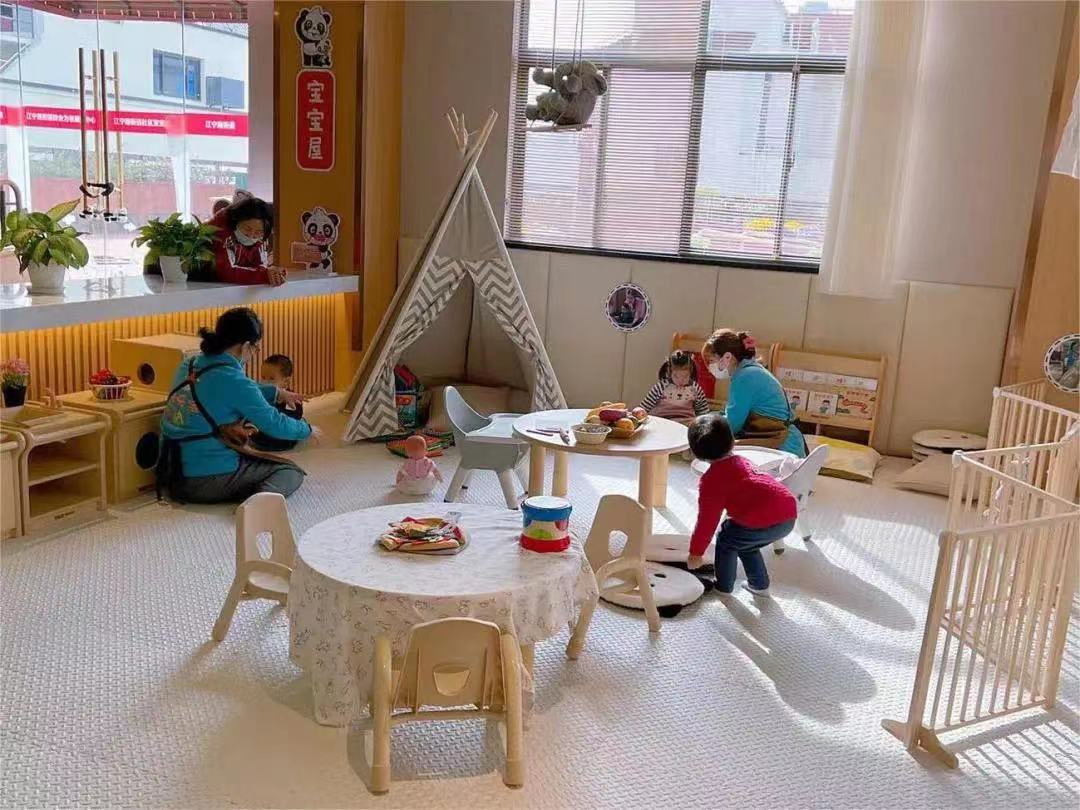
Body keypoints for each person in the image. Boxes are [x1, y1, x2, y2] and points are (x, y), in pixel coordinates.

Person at [157, 307, 318, 503]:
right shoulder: (234, 380)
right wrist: (307, 429)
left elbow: (227, 389)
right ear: (246, 346)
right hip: (203, 479)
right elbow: (274, 423)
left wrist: (276, 393)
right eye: (255, 348)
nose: (254, 353)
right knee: (290, 471)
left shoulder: (189, 365)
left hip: (169, 472)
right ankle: (257, 503)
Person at [686, 414, 796, 597]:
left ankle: (723, 586)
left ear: (696, 452)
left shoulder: (711, 481)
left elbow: (707, 521)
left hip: (762, 519)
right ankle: (759, 585)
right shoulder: (742, 461)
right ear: (732, 442)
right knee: (745, 543)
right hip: (788, 514)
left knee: (727, 538)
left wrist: (695, 553)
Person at [702, 328, 806, 457]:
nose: (709, 367)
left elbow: (732, 425)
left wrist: (706, 427)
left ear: (727, 357)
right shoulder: (750, 370)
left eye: (711, 361)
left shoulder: (745, 377)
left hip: (782, 447)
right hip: (782, 441)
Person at [205, 194, 286, 286]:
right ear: (236, 221)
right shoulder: (221, 228)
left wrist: (272, 273)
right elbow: (225, 272)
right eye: (247, 229)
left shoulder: (262, 235)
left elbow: (259, 263)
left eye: (258, 232)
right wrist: (264, 276)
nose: (251, 236)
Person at [250, 353, 304, 452]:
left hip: (283, 435)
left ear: (286, 382)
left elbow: (295, 416)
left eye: (271, 379)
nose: (265, 382)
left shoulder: (291, 397)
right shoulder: (263, 393)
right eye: (263, 377)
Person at [639, 349, 710, 423]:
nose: (680, 380)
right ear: (669, 372)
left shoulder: (695, 388)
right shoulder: (661, 386)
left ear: (690, 372)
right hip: (662, 421)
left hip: (686, 423)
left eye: (685, 376)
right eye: (676, 376)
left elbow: (703, 412)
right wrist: (639, 412)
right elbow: (644, 407)